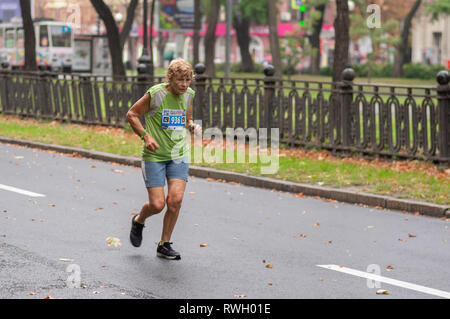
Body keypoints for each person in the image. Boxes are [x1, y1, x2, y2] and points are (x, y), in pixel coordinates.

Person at [126, 58, 201, 260]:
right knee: (157, 205)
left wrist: (192, 126)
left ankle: (164, 244)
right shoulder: (156, 94)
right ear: (170, 78)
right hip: (154, 156)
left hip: (178, 155)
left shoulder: (189, 95)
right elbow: (132, 114)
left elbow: (186, 119)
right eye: (180, 80)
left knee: (175, 201)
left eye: (188, 80)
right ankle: (139, 220)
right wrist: (146, 136)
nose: (184, 85)